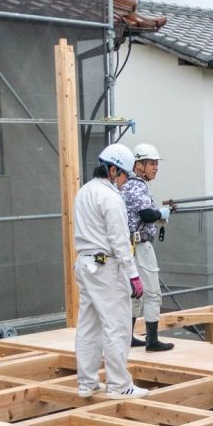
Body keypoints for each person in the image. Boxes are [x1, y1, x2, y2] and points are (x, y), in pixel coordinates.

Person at [73, 143, 149, 399]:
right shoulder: (110, 197)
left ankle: (87, 382)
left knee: (88, 324)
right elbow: (119, 241)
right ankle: (119, 384)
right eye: (125, 175)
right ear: (114, 170)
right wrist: (133, 274)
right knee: (116, 325)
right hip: (106, 267)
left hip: (85, 263)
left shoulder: (84, 191)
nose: (125, 182)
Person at [122, 142, 174, 352]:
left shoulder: (130, 184)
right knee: (152, 293)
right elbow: (146, 214)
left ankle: (129, 337)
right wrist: (161, 213)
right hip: (140, 246)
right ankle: (152, 340)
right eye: (151, 163)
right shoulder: (136, 185)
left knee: (136, 294)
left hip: (132, 245)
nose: (155, 168)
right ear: (139, 164)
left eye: (156, 164)